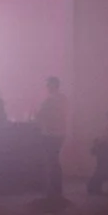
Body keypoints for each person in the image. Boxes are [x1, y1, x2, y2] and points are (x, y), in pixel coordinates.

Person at [34, 75, 69, 203]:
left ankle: (52, 191)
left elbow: (40, 116)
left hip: (50, 134)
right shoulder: (62, 99)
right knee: (54, 161)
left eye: (48, 85)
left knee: (51, 162)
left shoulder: (50, 101)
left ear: (53, 85)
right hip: (59, 133)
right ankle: (56, 190)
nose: (47, 87)